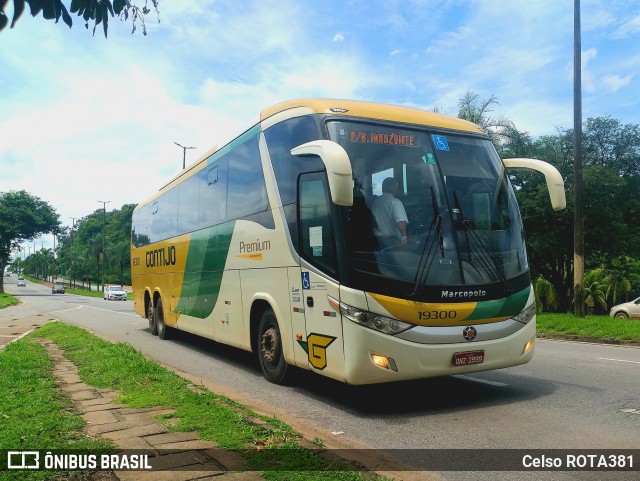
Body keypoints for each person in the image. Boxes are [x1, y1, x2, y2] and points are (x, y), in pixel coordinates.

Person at [371, 177, 408, 247]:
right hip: (393, 244)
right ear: (396, 189)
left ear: (382, 188)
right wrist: (405, 238)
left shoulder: (375, 203)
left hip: (378, 242)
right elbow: (400, 222)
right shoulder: (395, 202)